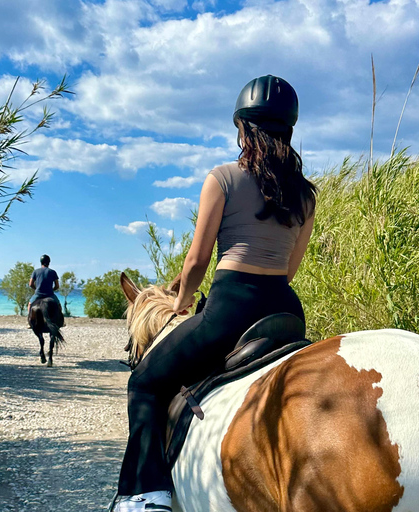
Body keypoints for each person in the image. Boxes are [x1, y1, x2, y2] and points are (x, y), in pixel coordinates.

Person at [109, 75, 317, 512]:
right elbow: (290, 268)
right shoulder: (304, 194)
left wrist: (183, 300)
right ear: (289, 130)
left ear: (242, 128)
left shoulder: (222, 178)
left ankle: (147, 496)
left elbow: (196, 261)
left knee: (144, 382)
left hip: (232, 307)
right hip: (285, 309)